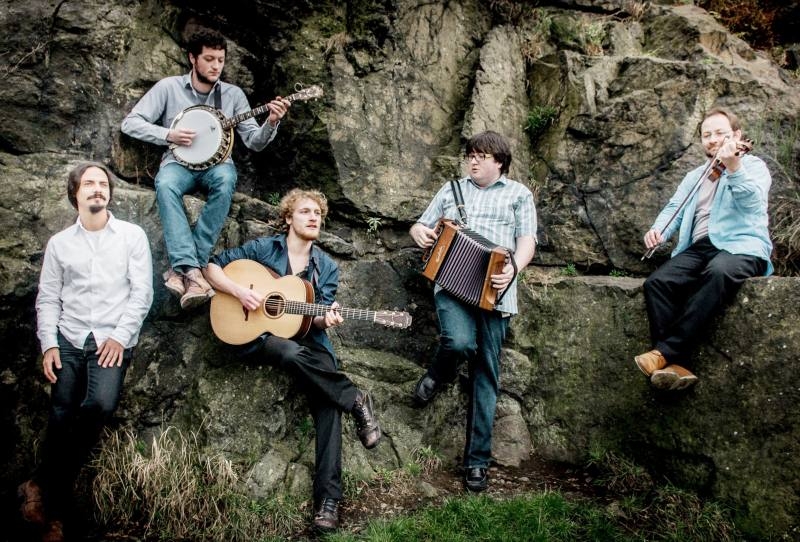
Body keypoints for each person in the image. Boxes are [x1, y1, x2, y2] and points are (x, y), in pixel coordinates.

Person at [203, 188, 381, 532]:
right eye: (305, 211)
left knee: (328, 403)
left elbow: (311, 319)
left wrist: (324, 319)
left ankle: (327, 504)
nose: (314, 217)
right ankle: (355, 398)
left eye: (318, 213)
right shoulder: (262, 249)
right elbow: (212, 268)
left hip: (309, 342)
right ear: (288, 218)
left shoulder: (325, 267)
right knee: (284, 347)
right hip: (260, 336)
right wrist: (240, 291)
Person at [18, 163, 153, 542]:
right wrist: (49, 345)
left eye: (103, 183)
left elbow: (142, 293)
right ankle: (55, 514)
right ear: (75, 193)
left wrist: (120, 337)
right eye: (90, 184)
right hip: (70, 339)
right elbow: (48, 298)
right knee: (60, 413)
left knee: (99, 406)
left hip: (112, 339)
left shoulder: (131, 236)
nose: (98, 189)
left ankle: (42, 485)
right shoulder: (60, 243)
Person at [121, 28, 290, 309]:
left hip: (217, 165)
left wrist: (271, 122)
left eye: (220, 60)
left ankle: (185, 268)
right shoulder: (168, 88)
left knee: (226, 180)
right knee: (165, 185)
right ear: (192, 58)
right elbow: (131, 123)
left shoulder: (233, 95)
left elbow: (254, 142)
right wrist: (168, 135)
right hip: (178, 162)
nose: (215, 66)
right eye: (209, 59)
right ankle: (193, 271)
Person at [409, 131, 537, 492]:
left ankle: (477, 462)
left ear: (500, 162)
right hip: (450, 282)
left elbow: (527, 239)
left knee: (486, 375)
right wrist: (419, 232)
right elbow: (421, 223)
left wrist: (514, 265)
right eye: (471, 155)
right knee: (458, 342)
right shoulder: (452, 189)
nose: (474, 161)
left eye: (482, 156)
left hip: (497, 292)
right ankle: (437, 374)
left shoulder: (519, 195)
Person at [635, 107, 773, 390]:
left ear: (735, 135)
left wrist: (734, 167)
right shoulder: (696, 176)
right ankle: (677, 367)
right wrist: (659, 231)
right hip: (700, 247)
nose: (712, 139)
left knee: (718, 272)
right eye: (706, 135)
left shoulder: (753, 166)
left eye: (720, 133)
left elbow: (752, 204)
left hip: (742, 245)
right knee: (658, 283)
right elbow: (675, 206)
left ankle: (664, 354)